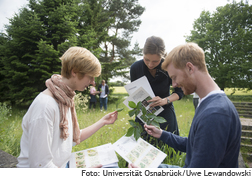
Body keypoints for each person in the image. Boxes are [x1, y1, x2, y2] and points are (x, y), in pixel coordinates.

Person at [129, 42, 241, 168]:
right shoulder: (209, 104)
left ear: (189, 68)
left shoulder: (215, 114)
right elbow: (195, 145)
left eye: (175, 77)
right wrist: (162, 134)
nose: (174, 84)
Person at [17, 47, 119, 168]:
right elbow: (40, 166)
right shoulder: (45, 107)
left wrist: (103, 121)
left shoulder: (64, 99)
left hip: (62, 166)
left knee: (112, 166)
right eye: (90, 77)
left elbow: (71, 138)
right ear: (74, 71)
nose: (93, 82)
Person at [130, 36, 184, 146]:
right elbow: (134, 92)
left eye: (155, 61)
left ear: (162, 56)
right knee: (142, 146)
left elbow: (180, 92)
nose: (150, 64)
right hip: (144, 111)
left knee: (168, 146)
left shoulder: (169, 67)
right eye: (146, 59)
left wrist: (165, 100)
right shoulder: (135, 68)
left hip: (165, 111)